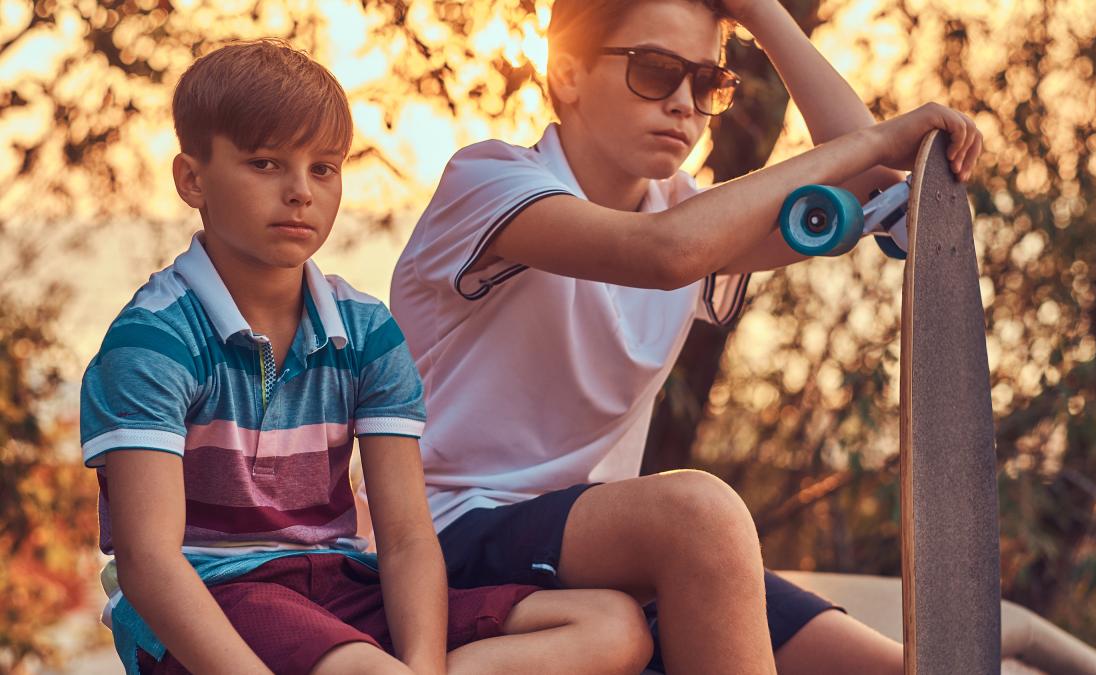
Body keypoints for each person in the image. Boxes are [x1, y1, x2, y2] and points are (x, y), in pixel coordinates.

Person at [390, 0, 983, 673]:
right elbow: (665, 252)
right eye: (655, 70)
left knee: (903, 667)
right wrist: (879, 138)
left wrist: (763, 16)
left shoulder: (688, 213)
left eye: (708, 84)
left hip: (595, 548)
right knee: (698, 511)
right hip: (444, 533)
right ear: (567, 73)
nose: (685, 105)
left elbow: (884, 189)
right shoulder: (488, 182)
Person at [80, 39, 652, 675]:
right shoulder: (154, 341)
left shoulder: (366, 333)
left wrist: (424, 664)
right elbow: (148, 561)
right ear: (192, 179)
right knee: (365, 667)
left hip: (341, 586)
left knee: (613, 626)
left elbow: (406, 538)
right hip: (213, 599)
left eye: (323, 168)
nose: (300, 192)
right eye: (265, 164)